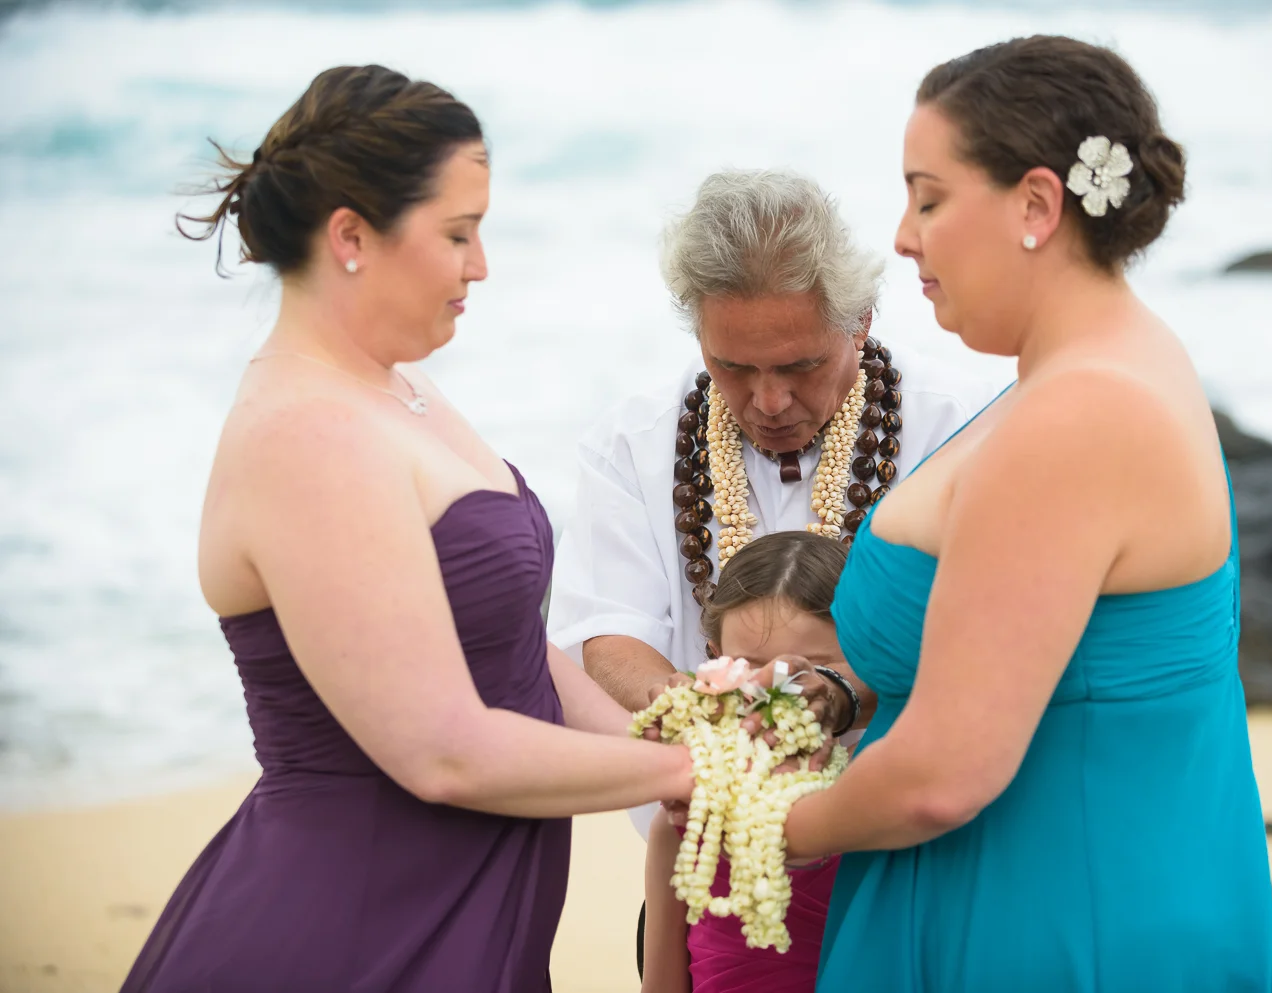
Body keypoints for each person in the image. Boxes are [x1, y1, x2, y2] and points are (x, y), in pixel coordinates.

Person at [121, 65, 692, 993]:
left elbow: (507, 649)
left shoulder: (399, 389)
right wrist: (685, 766)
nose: (481, 264)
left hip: (470, 902)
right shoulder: (308, 436)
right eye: (458, 233)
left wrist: (678, 741)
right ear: (351, 234)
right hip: (359, 927)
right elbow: (444, 750)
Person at [780, 36, 1272, 991]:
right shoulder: (1114, 358)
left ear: (1038, 204)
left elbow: (945, 774)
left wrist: (763, 823)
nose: (902, 234)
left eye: (928, 198)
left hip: (1052, 922)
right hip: (1093, 885)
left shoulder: (1076, 414)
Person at [545, 169, 998, 839]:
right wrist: (696, 710)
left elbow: (986, 645)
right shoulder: (631, 443)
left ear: (861, 322)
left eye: (798, 366)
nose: (769, 401)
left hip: (912, 857)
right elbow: (606, 637)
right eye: (733, 367)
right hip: (703, 856)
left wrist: (839, 691)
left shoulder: (964, 428)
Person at [641, 531, 852, 993]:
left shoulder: (890, 804)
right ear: (715, 663)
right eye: (749, 668)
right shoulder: (684, 824)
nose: (773, 697)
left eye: (807, 672)